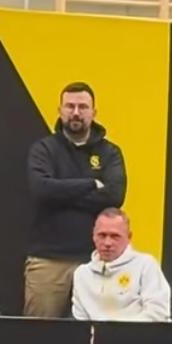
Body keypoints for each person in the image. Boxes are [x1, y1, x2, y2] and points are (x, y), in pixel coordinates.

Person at [25, 82, 127, 319]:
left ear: (94, 112)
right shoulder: (44, 149)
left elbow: (114, 196)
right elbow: (41, 191)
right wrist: (90, 184)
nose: (76, 112)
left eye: (83, 107)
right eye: (70, 106)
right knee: (37, 333)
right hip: (48, 260)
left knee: (95, 333)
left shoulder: (110, 153)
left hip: (96, 260)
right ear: (60, 110)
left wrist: (60, 191)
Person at [72, 209, 171, 323]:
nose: (107, 243)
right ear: (93, 236)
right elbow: (80, 322)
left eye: (115, 236)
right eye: (102, 235)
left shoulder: (146, 265)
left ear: (129, 237)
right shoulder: (81, 274)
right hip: (98, 334)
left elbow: (158, 313)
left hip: (141, 334)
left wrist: (118, 331)